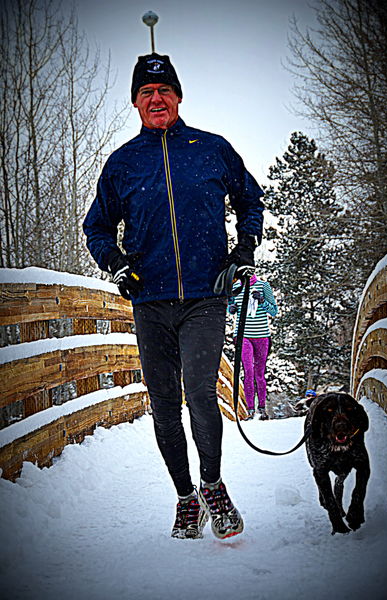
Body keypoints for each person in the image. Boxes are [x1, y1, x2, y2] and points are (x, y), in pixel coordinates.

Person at [83, 53, 264, 540]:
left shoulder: (211, 150)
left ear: (179, 96)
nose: (156, 99)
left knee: (202, 394)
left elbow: (250, 201)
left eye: (164, 91)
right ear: (137, 104)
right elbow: (96, 227)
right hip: (150, 301)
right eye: (146, 93)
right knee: (164, 403)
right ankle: (186, 497)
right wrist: (116, 264)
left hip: (205, 296)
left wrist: (242, 251)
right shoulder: (122, 164)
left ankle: (213, 486)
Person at [229, 274, 277, 420]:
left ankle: (262, 409)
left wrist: (262, 301)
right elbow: (230, 306)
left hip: (262, 335)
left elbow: (274, 311)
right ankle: (250, 410)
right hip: (243, 335)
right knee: (248, 371)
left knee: (259, 373)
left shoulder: (263, 286)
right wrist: (231, 309)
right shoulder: (235, 288)